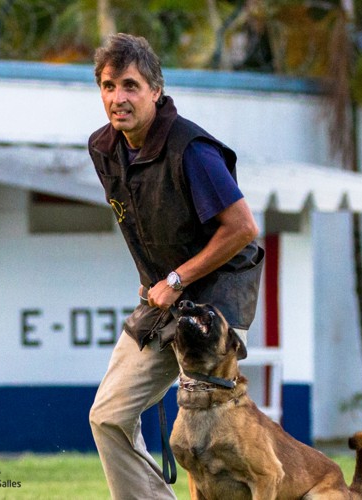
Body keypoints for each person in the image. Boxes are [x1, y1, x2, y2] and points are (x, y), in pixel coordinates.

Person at [88, 33, 264, 499]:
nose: (118, 98)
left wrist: (176, 277)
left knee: (214, 441)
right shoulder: (104, 148)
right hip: (162, 297)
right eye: (108, 86)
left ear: (156, 91)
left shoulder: (192, 150)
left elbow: (243, 228)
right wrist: (155, 276)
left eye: (130, 85)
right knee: (108, 416)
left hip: (216, 302)